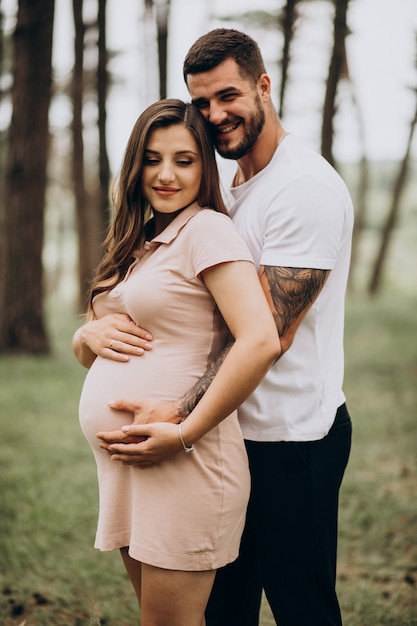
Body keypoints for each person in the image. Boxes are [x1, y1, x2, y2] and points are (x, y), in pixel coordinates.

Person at [82, 29, 354, 626]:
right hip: (226, 435)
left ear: (264, 84)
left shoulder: (302, 189)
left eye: (228, 95)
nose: (215, 114)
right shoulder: (228, 184)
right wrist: (89, 335)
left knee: (302, 607)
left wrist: (180, 417)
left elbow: (267, 337)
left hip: (288, 437)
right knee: (225, 612)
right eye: (201, 101)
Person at [72, 98, 280, 626]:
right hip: (130, 469)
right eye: (152, 158)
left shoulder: (205, 230)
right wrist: (85, 336)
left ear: (204, 167)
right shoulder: (140, 240)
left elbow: (259, 340)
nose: (166, 175)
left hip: (183, 462)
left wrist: (185, 432)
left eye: (184, 160)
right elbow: (105, 347)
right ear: (134, 164)